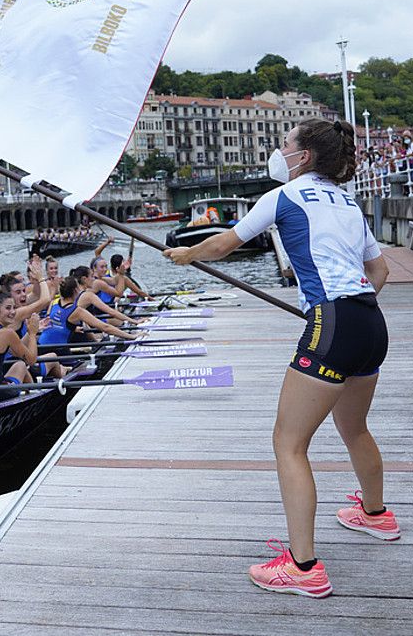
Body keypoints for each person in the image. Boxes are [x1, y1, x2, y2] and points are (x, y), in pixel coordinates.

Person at [164, 120, 394, 599]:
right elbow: (379, 269)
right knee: (355, 429)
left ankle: (304, 567)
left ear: (303, 156)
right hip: (371, 323)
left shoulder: (285, 196)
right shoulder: (348, 202)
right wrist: (344, 310)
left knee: (289, 445)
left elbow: (226, 243)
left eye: (285, 144)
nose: (279, 150)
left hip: (333, 324)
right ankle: (377, 516)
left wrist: (188, 254)